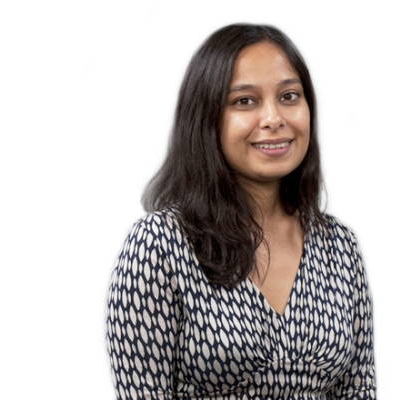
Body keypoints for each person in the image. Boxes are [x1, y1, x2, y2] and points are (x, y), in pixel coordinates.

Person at [104, 22, 377, 399]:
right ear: (206, 118)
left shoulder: (339, 248)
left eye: (289, 96)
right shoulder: (160, 245)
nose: (274, 118)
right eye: (245, 101)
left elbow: (359, 390)